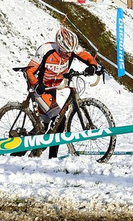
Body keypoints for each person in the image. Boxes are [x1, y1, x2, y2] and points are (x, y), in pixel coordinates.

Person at [25, 26, 102, 158]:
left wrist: (94, 67)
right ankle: (51, 158)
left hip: (53, 88)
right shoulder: (46, 50)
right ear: (59, 46)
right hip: (40, 88)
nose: (68, 55)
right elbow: (29, 71)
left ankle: (20, 152)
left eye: (70, 53)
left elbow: (87, 57)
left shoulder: (71, 49)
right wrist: (37, 84)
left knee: (44, 126)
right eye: (65, 52)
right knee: (60, 120)